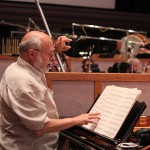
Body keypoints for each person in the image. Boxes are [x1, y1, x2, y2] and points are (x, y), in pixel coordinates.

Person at [0, 31, 100, 150]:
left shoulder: (23, 66)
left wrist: (54, 48)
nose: (53, 59)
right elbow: (40, 127)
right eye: (49, 54)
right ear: (32, 54)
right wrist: (76, 120)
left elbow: (37, 52)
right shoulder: (23, 82)